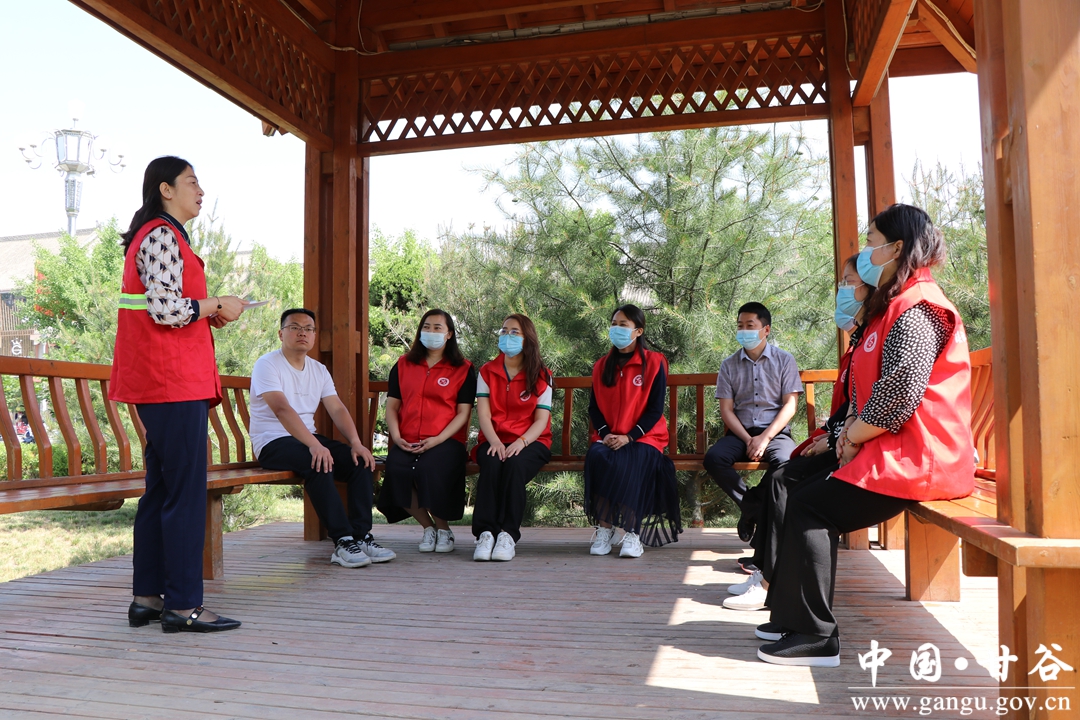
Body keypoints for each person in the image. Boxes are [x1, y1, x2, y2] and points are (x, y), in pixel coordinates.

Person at [757, 204, 974, 667]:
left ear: (896, 248)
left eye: (871, 240)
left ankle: (816, 637)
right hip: (896, 447)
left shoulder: (919, 308)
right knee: (797, 490)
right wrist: (848, 434)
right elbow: (871, 389)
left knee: (811, 506)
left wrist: (852, 436)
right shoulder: (896, 304)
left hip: (920, 457)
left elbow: (900, 390)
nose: (865, 250)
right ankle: (791, 617)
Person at [110, 156, 246, 633]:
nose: (201, 191)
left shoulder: (157, 235)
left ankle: (148, 598)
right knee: (184, 493)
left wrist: (210, 312)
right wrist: (217, 303)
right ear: (165, 189)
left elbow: (164, 305)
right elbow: (167, 310)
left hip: (160, 381)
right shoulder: (163, 234)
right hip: (171, 381)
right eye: (192, 182)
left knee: (162, 491)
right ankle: (184, 605)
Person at [726, 255, 873, 613]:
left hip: (866, 448)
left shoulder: (879, 336)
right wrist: (832, 434)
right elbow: (853, 403)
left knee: (790, 486)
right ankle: (764, 571)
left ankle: (771, 584)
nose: (841, 290)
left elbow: (879, 402)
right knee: (782, 480)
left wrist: (838, 437)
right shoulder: (860, 340)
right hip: (844, 438)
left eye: (848, 282)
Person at [249, 308, 396, 568]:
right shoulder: (267, 364)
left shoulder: (318, 370)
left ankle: (361, 536)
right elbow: (282, 409)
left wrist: (356, 443)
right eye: (295, 327)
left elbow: (337, 408)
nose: (302, 333)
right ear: (281, 333)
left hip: (307, 439)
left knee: (360, 461)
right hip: (272, 442)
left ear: (315, 335)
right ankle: (342, 541)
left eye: (308, 328)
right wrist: (314, 445)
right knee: (317, 461)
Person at [584, 304, 681, 557]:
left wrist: (629, 437)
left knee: (633, 461)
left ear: (638, 331)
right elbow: (594, 408)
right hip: (609, 437)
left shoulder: (655, 362)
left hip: (644, 437)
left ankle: (632, 533)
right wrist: (606, 434)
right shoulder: (601, 366)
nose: (616, 329)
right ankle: (605, 530)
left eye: (623, 324)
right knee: (598, 457)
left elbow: (655, 409)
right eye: (614, 324)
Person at [376, 309, 476, 553]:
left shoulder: (463, 368)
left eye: (438, 328)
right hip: (407, 438)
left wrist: (438, 439)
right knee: (397, 469)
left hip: (446, 440)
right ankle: (428, 528)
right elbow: (392, 407)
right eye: (426, 327)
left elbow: (463, 413)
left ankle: (443, 529)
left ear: (449, 334)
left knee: (428, 468)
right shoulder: (403, 364)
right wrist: (396, 436)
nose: (431, 332)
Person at [472, 314, 553, 562]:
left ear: (528, 338)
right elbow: (484, 415)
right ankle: (486, 533)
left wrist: (521, 442)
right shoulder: (487, 371)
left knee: (515, 464)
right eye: (504, 330)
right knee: (492, 462)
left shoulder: (542, 375)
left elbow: (541, 420)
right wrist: (495, 441)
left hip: (532, 441)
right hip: (493, 439)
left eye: (515, 332)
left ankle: (507, 534)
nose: (508, 336)